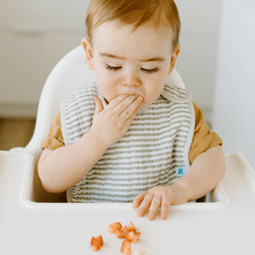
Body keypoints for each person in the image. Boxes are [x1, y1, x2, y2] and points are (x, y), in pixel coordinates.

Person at [38, 0, 225, 221]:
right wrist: (97, 138)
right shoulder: (78, 110)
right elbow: (49, 179)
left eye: (149, 68)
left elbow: (214, 160)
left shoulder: (179, 112)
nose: (130, 81)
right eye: (113, 66)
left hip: (165, 225)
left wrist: (182, 190)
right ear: (90, 54)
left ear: (172, 60)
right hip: (88, 229)